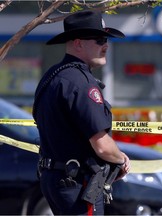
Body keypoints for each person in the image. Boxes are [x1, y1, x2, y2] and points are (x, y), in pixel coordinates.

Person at [32, 10, 130, 215]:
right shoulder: (81, 83)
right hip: (76, 182)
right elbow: (102, 146)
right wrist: (121, 159)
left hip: (54, 178)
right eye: (99, 39)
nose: (106, 45)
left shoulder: (51, 76)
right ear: (78, 43)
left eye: (106, 39)